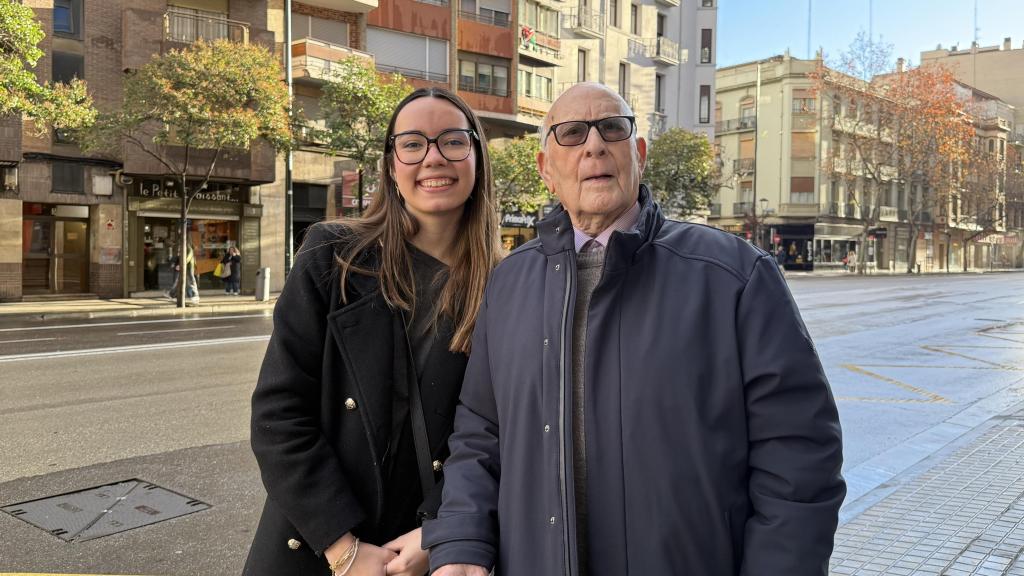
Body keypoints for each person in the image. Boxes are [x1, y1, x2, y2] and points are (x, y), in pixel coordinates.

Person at [423, 83, 845, 576]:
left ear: (638, 153)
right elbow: (479, 434)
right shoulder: (508, 282)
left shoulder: (735, 275)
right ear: (546, 171)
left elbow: (798, 454)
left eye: (612, 128)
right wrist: (462, 544)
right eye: (572, 133)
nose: (594, 145)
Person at [243, 87, 502, 576]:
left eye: (452, 140)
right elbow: (279, 414)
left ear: (476, 157)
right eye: (412, 143)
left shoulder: (505, 286)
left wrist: (443, 530)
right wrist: (345, 549)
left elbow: (498, 437)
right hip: (317, 547)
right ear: (390, 165)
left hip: (427, 554)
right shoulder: (334, 257)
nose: (433, 158)